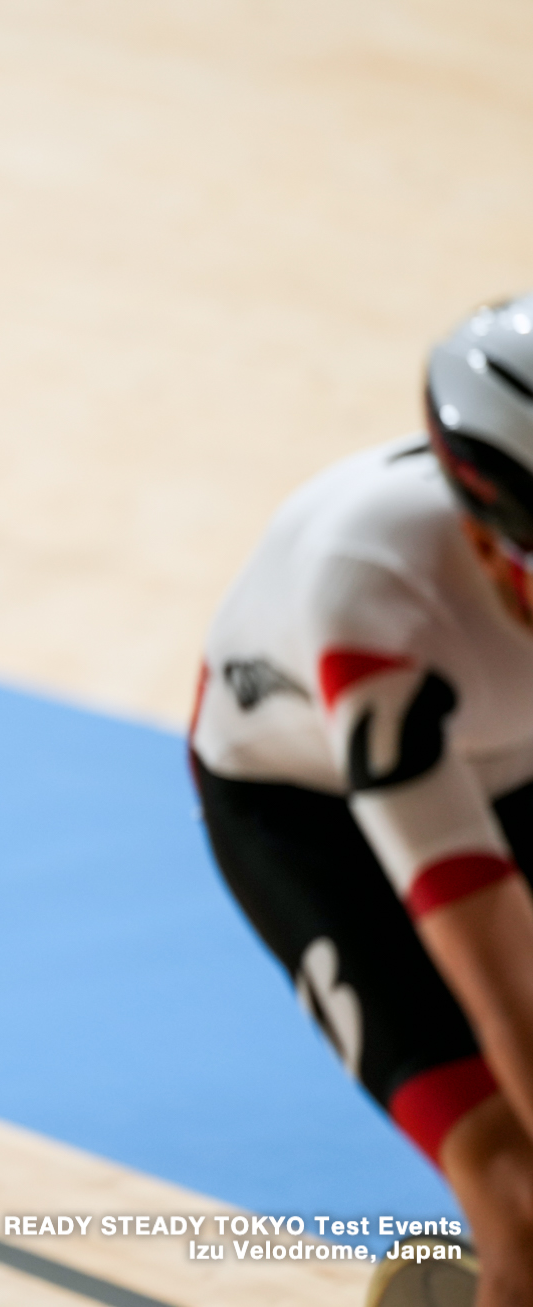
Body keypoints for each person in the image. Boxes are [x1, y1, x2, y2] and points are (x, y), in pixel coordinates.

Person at [192, 295, 533, 1306]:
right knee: (517, 1196)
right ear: (482, 542)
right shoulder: (372, 590)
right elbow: (488, 960)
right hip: (308, 812)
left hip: (508, 757)